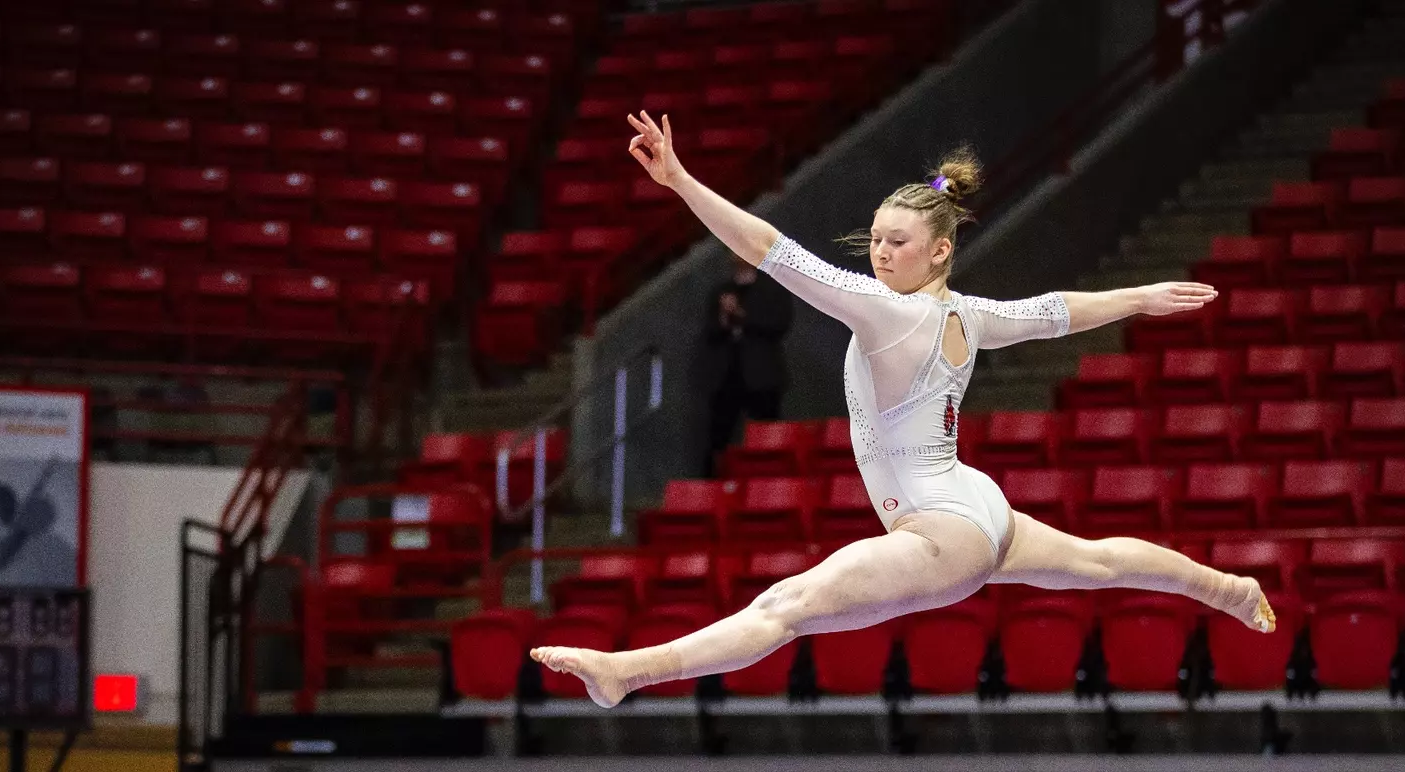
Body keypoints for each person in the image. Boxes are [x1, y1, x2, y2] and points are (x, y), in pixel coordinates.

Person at [531, 113, 1274, 707]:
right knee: (1097, 562)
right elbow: (1054, 313)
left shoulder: (885, 312)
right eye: (877, 238)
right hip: (971, 503)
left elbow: (769, 248)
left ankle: (627, 671)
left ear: (940, 252)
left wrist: (684, 183)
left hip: (942, 531)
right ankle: (1226, 588)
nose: (880, 253)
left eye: (898, 242)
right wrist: (1138, 299)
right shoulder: (970, 314)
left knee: (786, 606)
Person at [702, 251, 795, 474]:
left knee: (768, 434)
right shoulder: (722, 291)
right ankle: (717, 488)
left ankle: (770, 485)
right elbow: (710, 331)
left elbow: (778, 324)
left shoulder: (771, 289)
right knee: (719, 437)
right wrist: (724, 316)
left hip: (762, 375)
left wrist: (741, 313)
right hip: (727, 374)